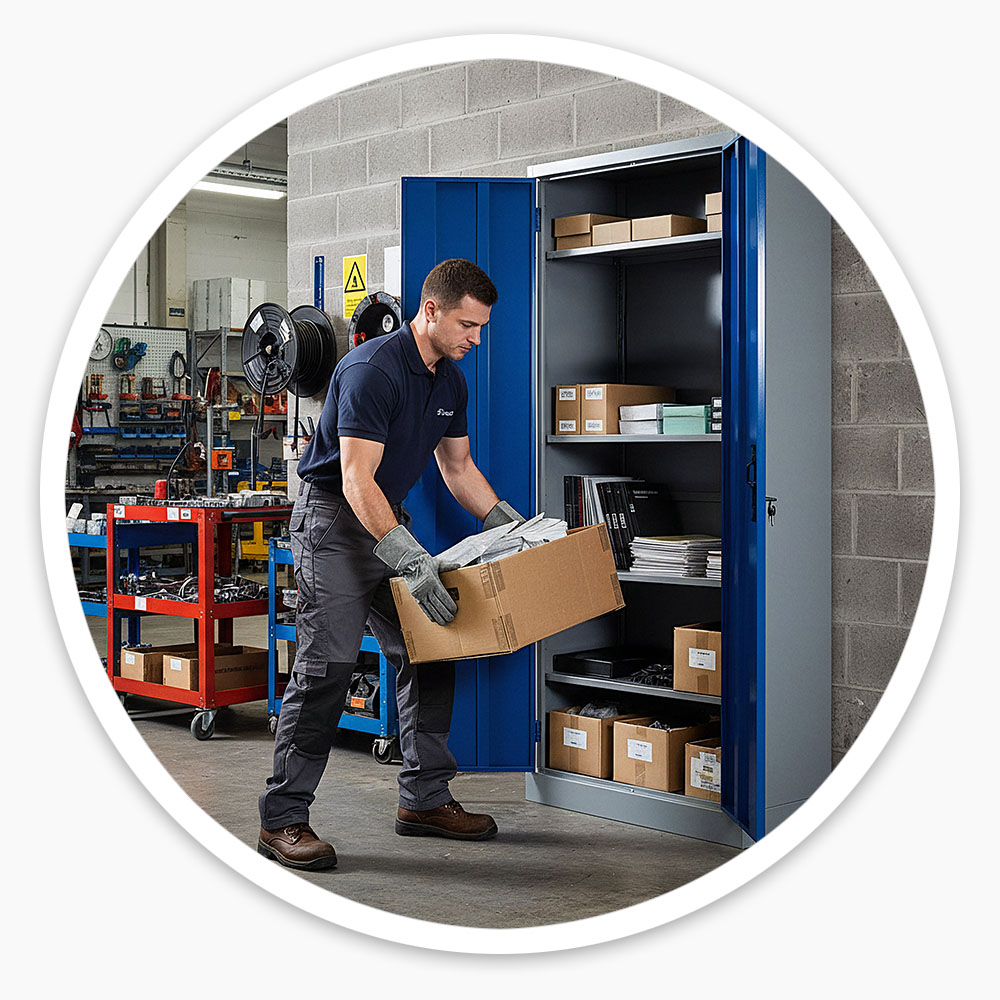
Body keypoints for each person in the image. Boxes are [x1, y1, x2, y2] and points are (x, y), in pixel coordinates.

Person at [257, 258, 525, 871]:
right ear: (430, 310)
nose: (475, 339)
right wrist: (409, 558)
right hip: (334, 524)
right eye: (467, 324)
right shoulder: (370, 369)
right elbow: (354, 480)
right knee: (327, 666)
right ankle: (283, 818)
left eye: (481, 327)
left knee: (430, 651)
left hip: (386, 518)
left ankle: (424, 800)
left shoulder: (449, 382)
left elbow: (457, 471)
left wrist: (510, 526)